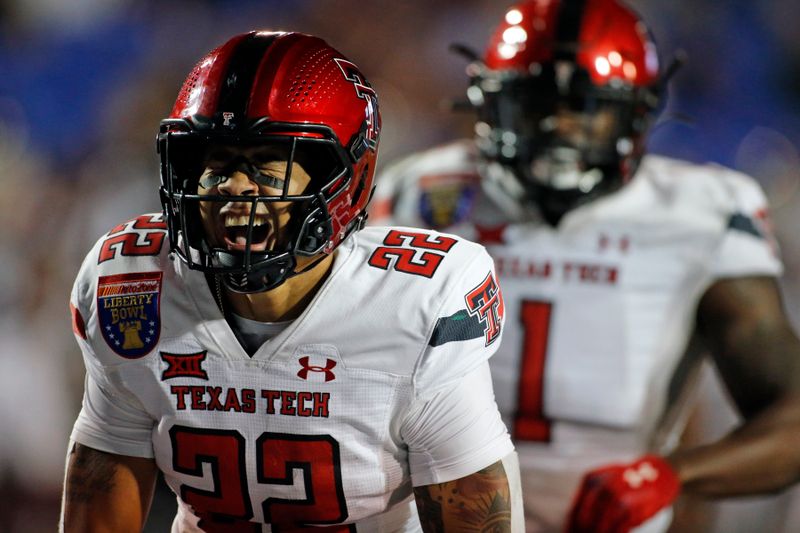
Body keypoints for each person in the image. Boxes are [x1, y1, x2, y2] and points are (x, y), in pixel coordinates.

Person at [61, 30, 524, 532]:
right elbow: (101, 498)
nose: (235, 187)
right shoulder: (131, 281)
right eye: (214, 162)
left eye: (266, 162)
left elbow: (477, 518)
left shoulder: (418, 302)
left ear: (348, 177)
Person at [370, 1, 800, 532]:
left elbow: (791, 418)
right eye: (535, 105)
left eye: (586, 107)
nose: (559, 128)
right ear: (491, 104)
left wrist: (671, 476)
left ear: (638, 113)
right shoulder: (421, 191)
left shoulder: (702, 212)